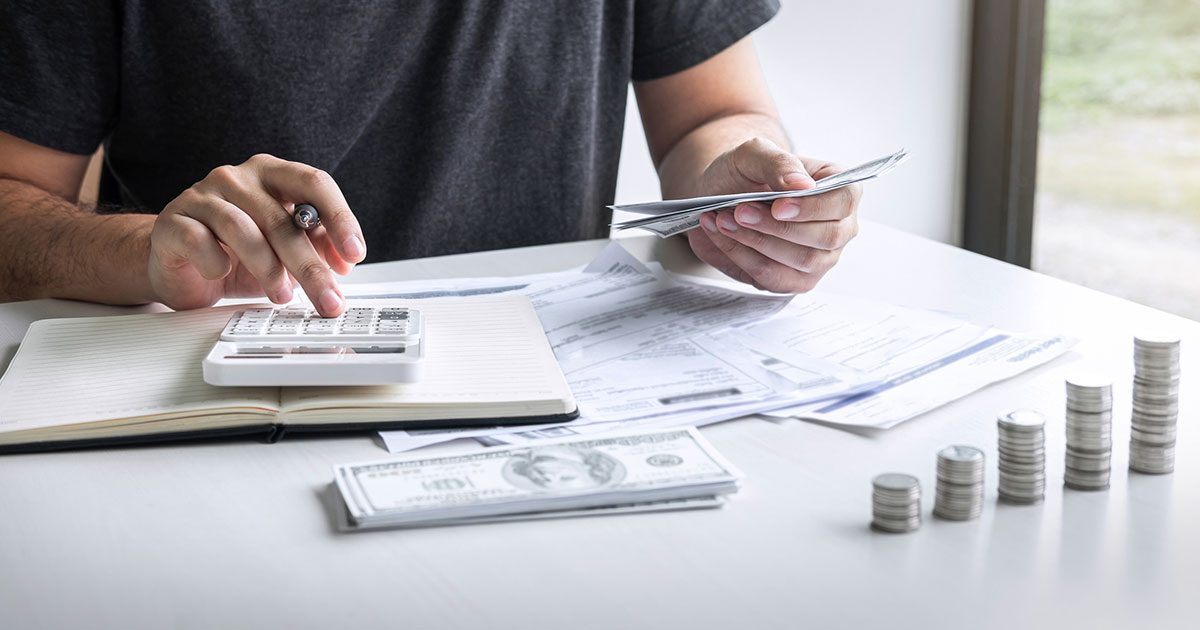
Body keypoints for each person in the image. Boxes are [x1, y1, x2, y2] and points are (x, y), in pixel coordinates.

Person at [0, 1, 861, 318]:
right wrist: (146, 249)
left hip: (563, 376)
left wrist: (741, 187)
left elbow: (711, 119)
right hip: (231, 379)